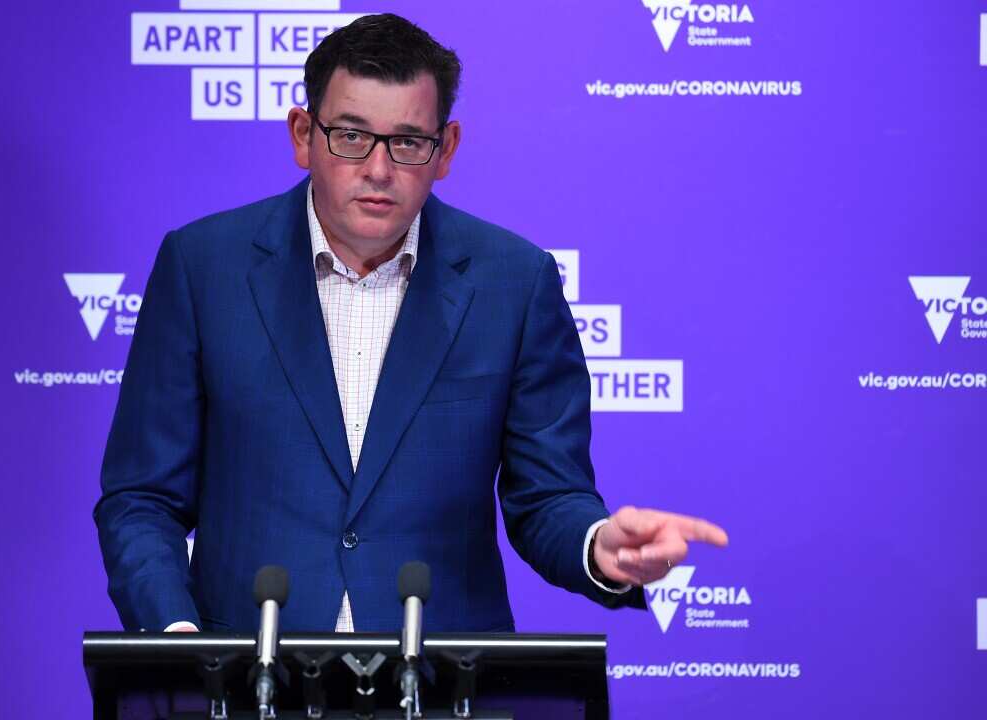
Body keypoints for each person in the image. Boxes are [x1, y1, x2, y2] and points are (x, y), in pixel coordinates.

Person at [95, 13, 727, 634]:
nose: (378, 169)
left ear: (445, 149)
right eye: (350, 135)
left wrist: (597, 546)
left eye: (407, 142)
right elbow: (142, 498)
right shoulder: (204, 267)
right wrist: (179, 641)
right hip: (245, 665)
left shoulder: (515, 282)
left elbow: (547, 496)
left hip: (445, 671)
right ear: (302, 135)